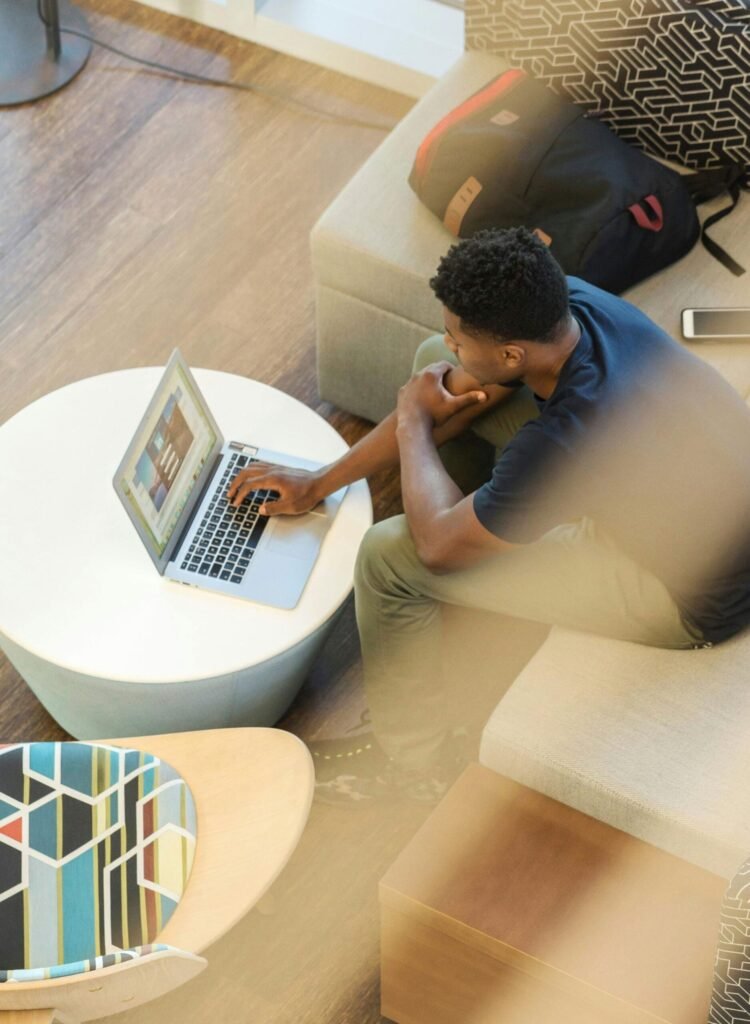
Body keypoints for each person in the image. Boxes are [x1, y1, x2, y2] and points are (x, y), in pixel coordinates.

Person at [227, 227, 750, 805]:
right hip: (692, 505)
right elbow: (456, 380)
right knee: (432, 367)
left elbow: (433, 546)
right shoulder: (572, 305)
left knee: (387, 556)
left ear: (511, 354)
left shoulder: (571, 435)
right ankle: (479, 533)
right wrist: (319, 482)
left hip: (685, 595)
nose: (452, 343)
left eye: (460, 336)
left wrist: (410, 423)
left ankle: (412, 764)